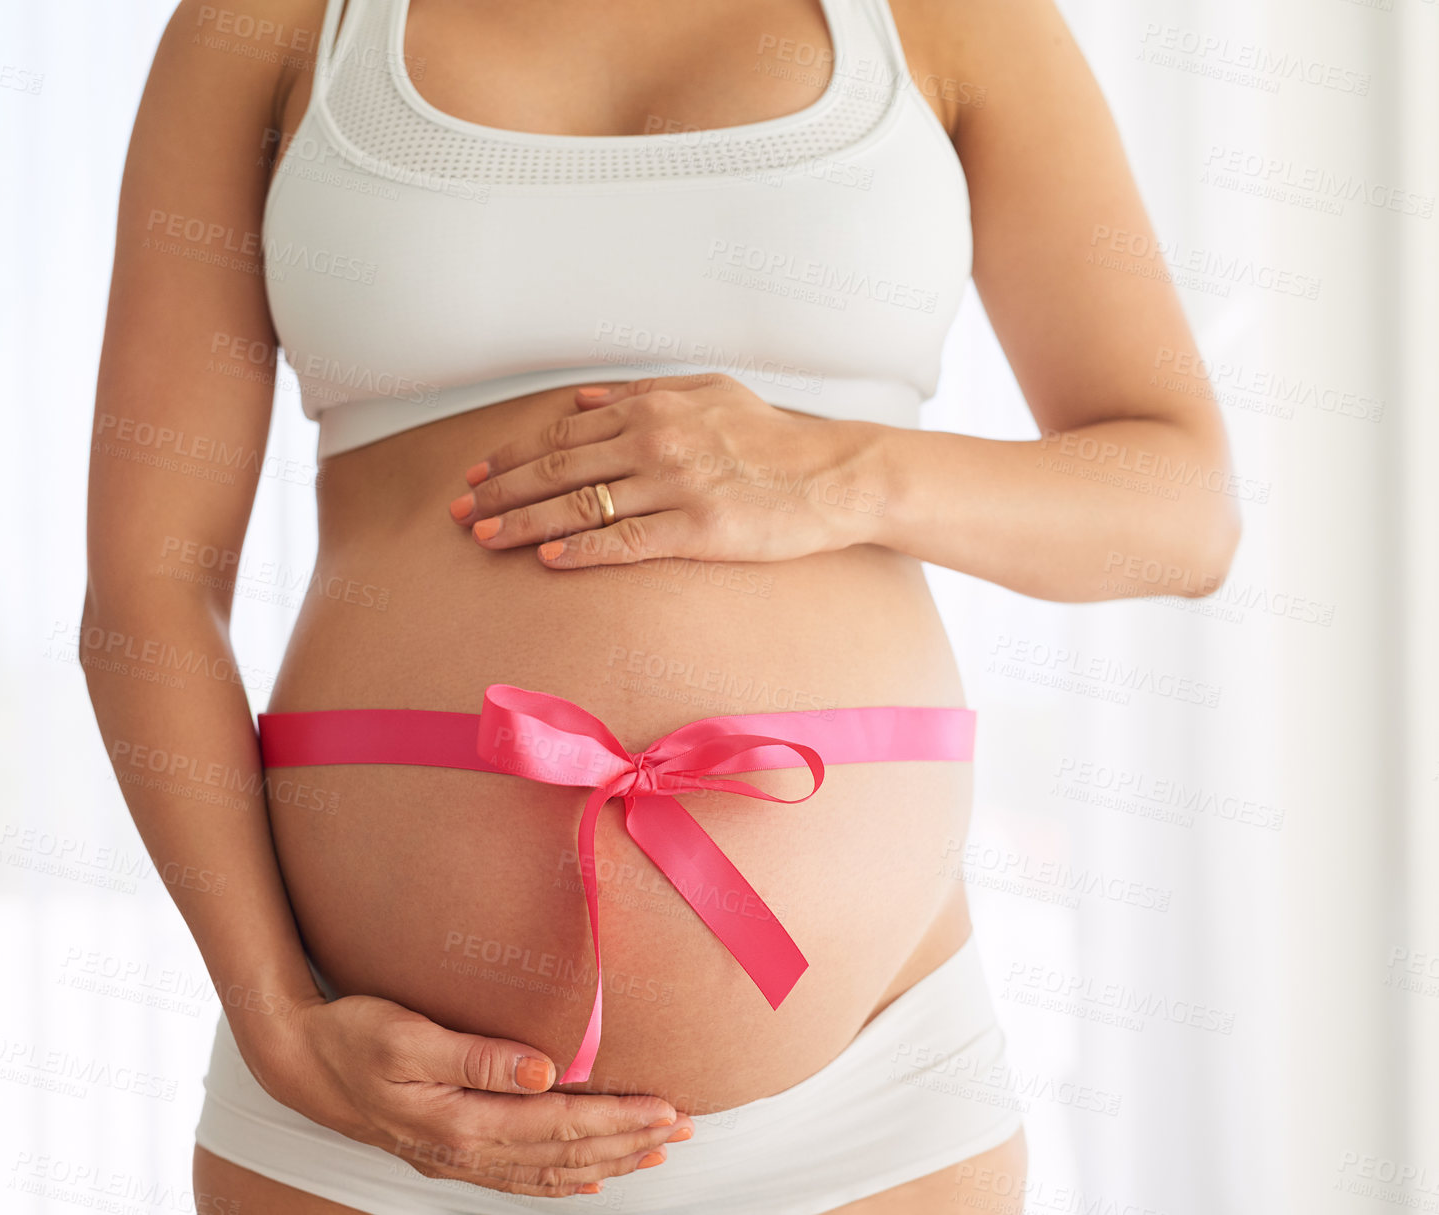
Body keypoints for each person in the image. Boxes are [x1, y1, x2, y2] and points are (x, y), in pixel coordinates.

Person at [80, 0, 1240, 1210]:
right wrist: (277, 1019)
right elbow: (146, 591)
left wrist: (842, 471)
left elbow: (1180, 512)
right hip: (368, 1106)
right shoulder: (271, 24)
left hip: (869, 1118)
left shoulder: (951, 21)